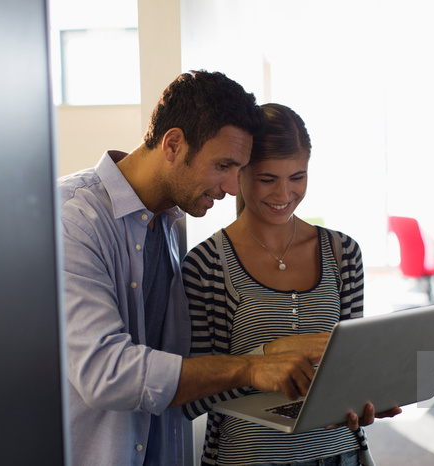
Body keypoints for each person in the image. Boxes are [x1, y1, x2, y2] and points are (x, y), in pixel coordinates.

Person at [58, 72, 324, 466]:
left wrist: (274, 352)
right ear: (173, 144)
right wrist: (251, 368)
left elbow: (177, 363)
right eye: (223, 165)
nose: (233, 187)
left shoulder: (168, 225)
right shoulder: (72, 219)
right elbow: (106, 372)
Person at [182, 103, 401, 466]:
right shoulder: (207, 265)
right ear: (239, 174)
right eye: (268, 179)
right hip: (248, 458)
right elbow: (194, 395)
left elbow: (350, 364)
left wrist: (365, 395)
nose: (284, 194)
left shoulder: (342, 253)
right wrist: (271, 355)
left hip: (339, 455)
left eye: (297, 177)